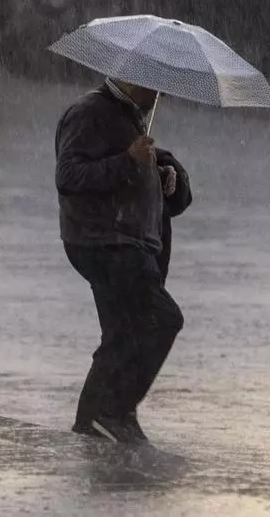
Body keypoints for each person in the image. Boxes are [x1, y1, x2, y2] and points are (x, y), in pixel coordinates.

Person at [55, 77, 192, 444]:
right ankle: (113, 411)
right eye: (154, 87)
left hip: (128, 244)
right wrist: (128, 161)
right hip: (106, 242)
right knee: (161, 319)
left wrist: (168, 178)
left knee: (121, 334)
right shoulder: (89, 113)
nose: (159, 95)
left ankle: (93, 422)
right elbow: (69, 177)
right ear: (133, 81)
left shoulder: (129, 116)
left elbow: (150, 175)